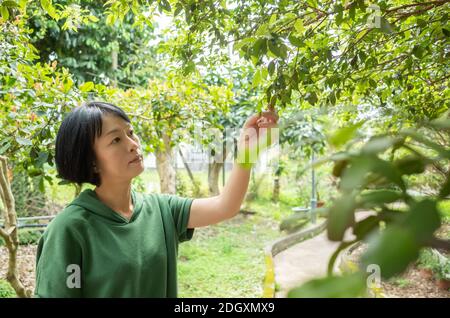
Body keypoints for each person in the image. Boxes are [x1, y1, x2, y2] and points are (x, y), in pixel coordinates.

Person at [34, 101, 278, 297]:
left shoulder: (161, 210)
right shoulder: (69, 230)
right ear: (92, 161)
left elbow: (225, 206)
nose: (132, 144)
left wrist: (247, 153)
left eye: (130, 133)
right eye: (116, 139)